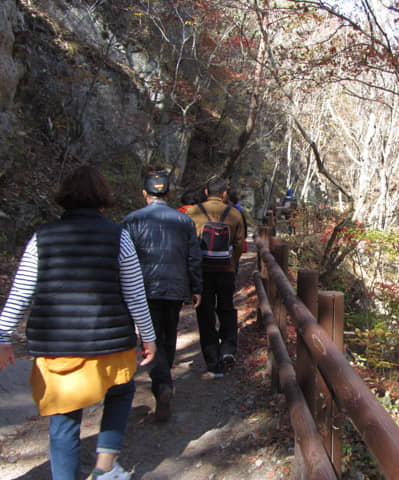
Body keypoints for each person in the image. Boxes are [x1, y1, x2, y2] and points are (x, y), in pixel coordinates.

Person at [0, 165, 157, 480]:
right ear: (102, 198)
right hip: (110, 342)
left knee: (63, 418)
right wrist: (148, 337)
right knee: (121, 391)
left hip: (57, 347)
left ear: (65, 198)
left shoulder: (41, 238)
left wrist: (3, 335)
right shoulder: (118, 237)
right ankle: (105, 468)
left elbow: (20, 291)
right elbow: (135, 294)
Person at [121, 170, 202, 422]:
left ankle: (163, 385)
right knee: (167, 335)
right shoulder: (184, 221)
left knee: (150, 336)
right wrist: (196, 287)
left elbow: (122, 260)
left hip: (143, 289)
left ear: (144, 193)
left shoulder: (131, 221)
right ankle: (163, 384)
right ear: (168, 194)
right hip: (175, 288)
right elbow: (193, 257)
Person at [186, 175, 244, 378]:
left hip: (202, 272)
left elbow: (188, 244)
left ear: (205, 192)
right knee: (227, 309)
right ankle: (228, 349)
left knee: (205, 314)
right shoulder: (234, 214)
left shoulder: (192, 213)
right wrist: (231, 262)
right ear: (224, 193)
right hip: (225, 271)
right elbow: (238, 245)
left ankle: (212, 361)